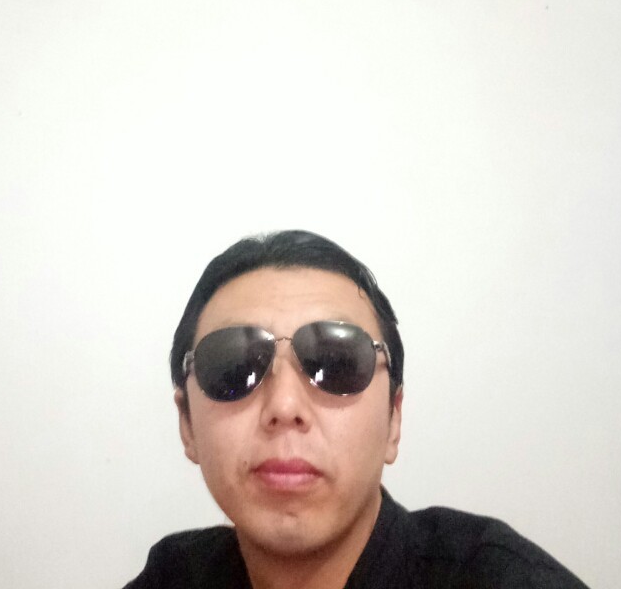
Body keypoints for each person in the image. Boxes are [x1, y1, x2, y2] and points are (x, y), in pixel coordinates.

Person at [124, 230, 589, 589]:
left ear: (394, 419)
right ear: (187, 424)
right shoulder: (175, 577)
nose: (284, 406)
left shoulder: (503, 580)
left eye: (337, 363)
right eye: (234, 367)